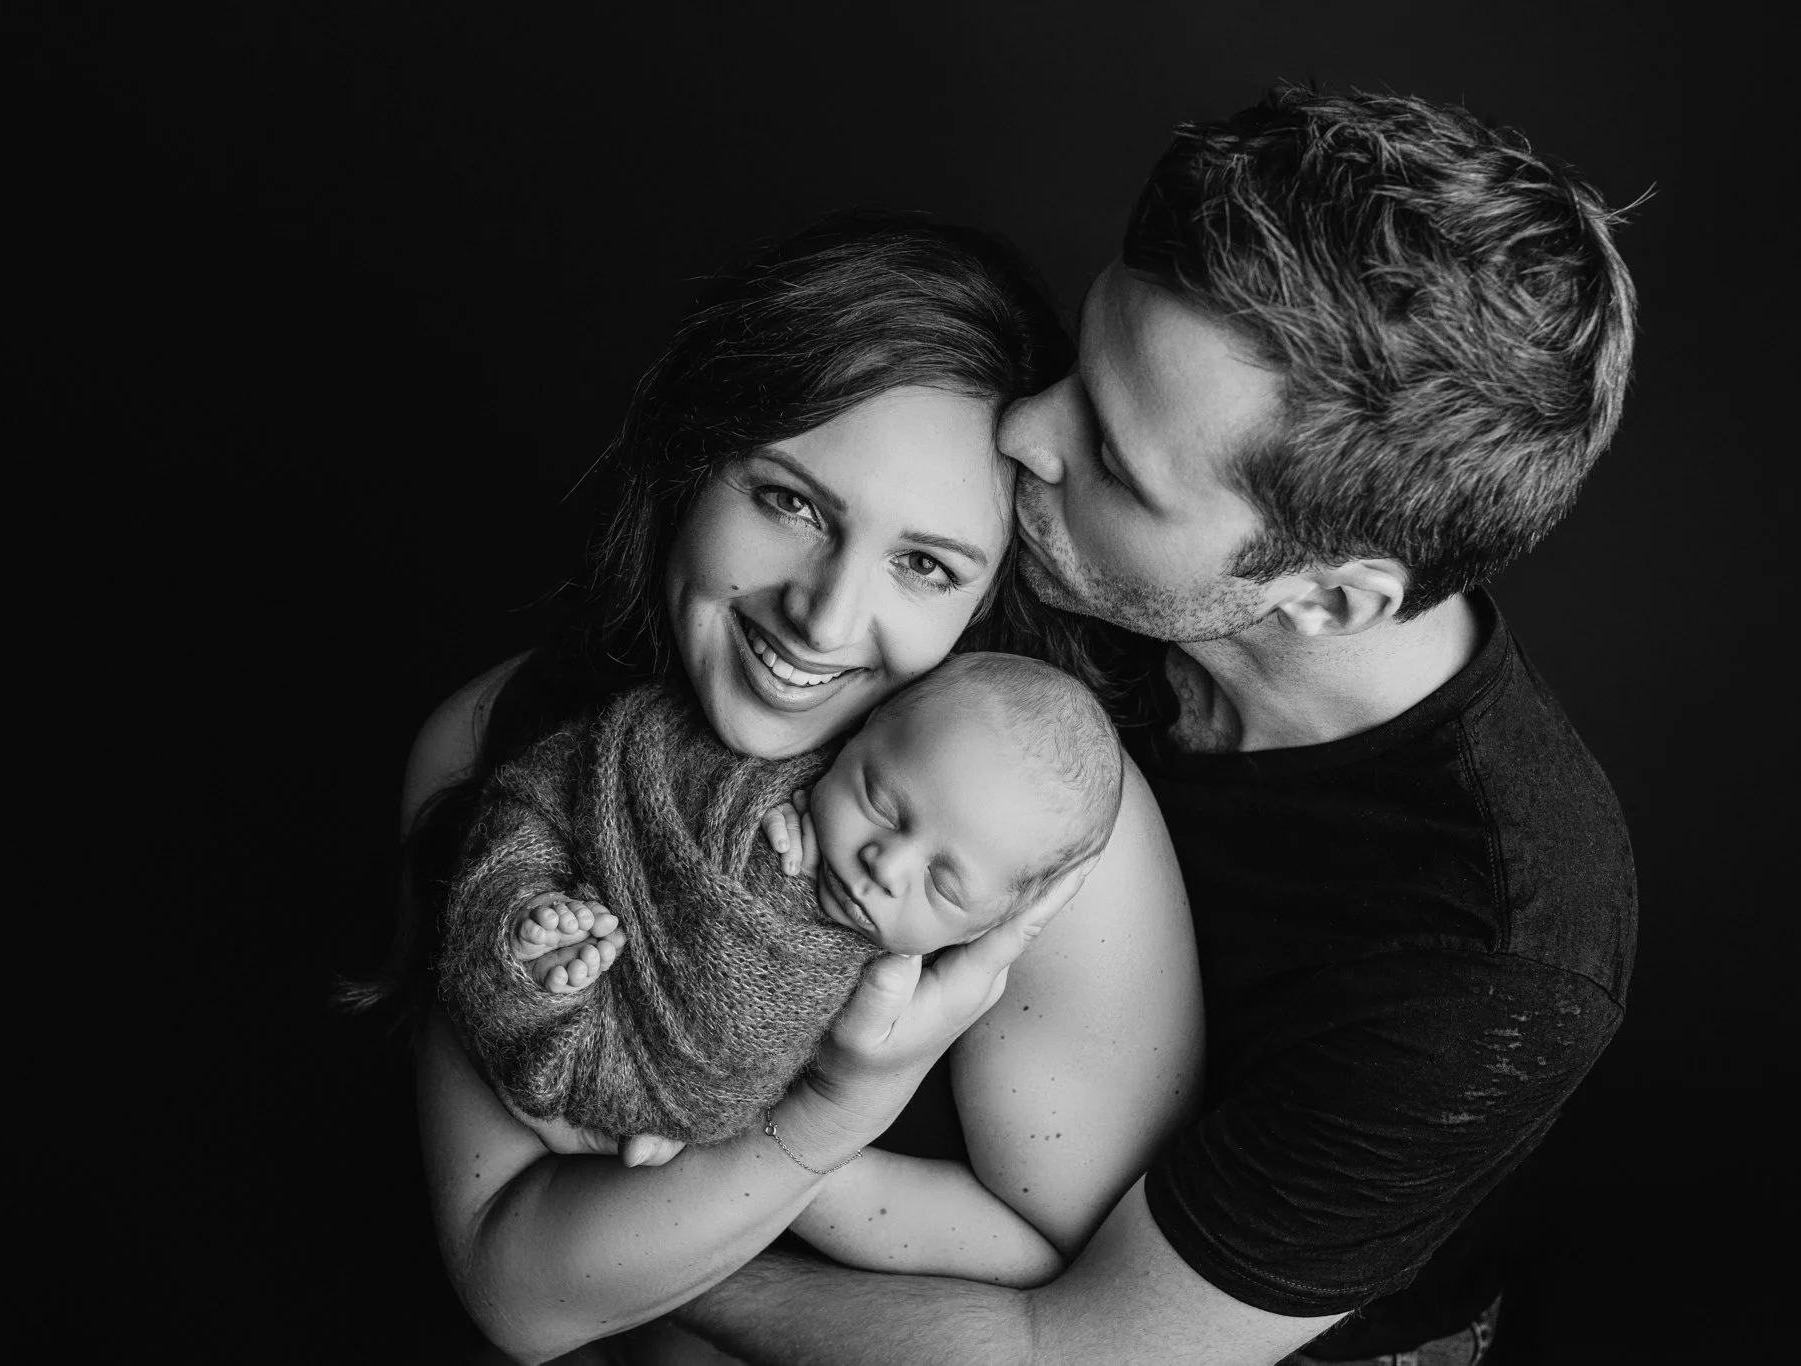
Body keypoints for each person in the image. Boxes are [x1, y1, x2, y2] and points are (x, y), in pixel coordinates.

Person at [671, 86, 1640, 1366]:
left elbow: (1072, 1349)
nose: (1025, 431)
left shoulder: (1486, 955)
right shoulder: (1066, 542)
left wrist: (636, 1262)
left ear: (1329, 596)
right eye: (1081, 362)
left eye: (1115, 464)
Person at [392, 212, 1204, 1363]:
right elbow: (516, 1291)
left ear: (986, 596)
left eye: (923, 564)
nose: (823, 617)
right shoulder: (496, 743)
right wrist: (813, 1128)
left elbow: (1079, 1305)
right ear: (695, 458)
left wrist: (768, 1153)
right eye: (790, 503)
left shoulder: (1044, 836)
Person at [436, 653, 1124, 1288]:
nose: (886, 863)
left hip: (658, 1102)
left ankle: (553, 989)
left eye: (943, 886)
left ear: (987, 929)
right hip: (581, 926)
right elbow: (635, 776)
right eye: (880, 803)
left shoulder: (930, 993)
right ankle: (539, 952)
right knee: (527, 911)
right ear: (856, 736)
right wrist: (763, 807)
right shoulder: (770, 784)